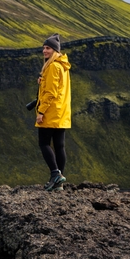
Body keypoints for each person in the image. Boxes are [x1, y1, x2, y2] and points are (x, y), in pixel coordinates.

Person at [35, 33, 71, 191]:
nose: (44, 51)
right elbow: (57, 88)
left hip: (51, 111)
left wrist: (41, 111)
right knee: (59, 146)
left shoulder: (52, 66)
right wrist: (42, 82)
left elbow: (50, 93)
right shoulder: (62, 65)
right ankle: (59, 183)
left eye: (48, 48)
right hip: (62, 111)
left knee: (43, 143)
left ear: (55, 50)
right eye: (43, 48)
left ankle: (55, 173)